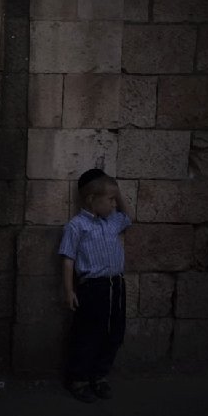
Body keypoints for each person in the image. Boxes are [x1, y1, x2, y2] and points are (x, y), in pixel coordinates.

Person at [58, 169, 133, 403]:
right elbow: (68, 258)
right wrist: (69, 290)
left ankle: (99, 375)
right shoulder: (76, 226)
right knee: (87, 334)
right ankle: (78, 379)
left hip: (116, 286)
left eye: (114, 199)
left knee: (114, 333)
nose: (114, 204)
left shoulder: (112, 221)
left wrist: (116, 191)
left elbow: (128, 216)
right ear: (91, 200)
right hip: (92, 288)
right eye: (110, 199)